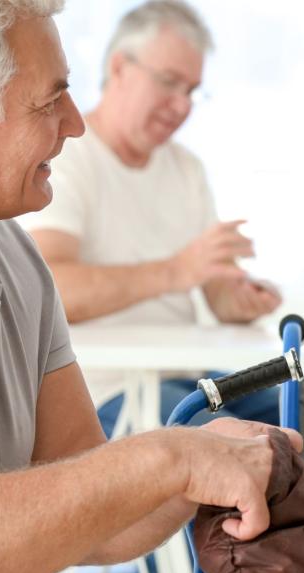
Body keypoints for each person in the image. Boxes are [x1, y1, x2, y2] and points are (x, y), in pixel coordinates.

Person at [0, 0, 301, 573]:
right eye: (48, 100)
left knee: (289, 416)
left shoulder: (20, 261)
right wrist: (171, 458)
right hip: (133, 391)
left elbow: (98, 517)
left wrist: (198, 461)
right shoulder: (71, 187)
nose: (74, 123)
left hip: (178, 381)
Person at [20, 0, 281, 435]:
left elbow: (215, 291)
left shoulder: (186, 168)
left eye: (192, 90)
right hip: (108, 386)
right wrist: (177, 271)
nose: (182, 106)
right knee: (235, 440)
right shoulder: (65, 158)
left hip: (186, 373)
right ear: (119, 68)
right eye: (169, 83)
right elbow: (55, 289)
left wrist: (240, 299)